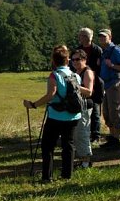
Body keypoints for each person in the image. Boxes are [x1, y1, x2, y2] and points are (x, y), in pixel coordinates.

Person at [23, 45, 89, 182]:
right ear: (68, 59)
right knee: (68, 145)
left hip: (56, 115)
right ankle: (67, 175)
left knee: (48, 146)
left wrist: (33, 105)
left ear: (53, 60)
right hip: (73, 115)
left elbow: (50, 95)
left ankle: (47, 177)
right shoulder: (75, 75)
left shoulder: (54, 75)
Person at [97, 29, 120, 149]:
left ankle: (116, 139)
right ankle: (112, 138)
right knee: (106, 113)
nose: (101, 39)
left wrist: (112, 65)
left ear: (110, 37)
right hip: (105, 85)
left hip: (114, 84)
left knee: (114, 112)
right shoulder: (104, 51)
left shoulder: (115, 50)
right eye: (100, 37)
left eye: (104, 36)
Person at [76, 28, 103, 144]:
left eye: (82, 35)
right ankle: (83, 132)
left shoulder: (97, 50)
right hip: (81, 80)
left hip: (95, 82)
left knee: (95, 109)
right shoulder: (78, 50)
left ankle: (96, 134)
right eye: (80, 35)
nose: (80, 37)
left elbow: (100, 66)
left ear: (88, 37)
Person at [70, 50, 95, 168]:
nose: (75, 62)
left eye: (77, 59)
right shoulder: (76, 72)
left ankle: (86, 161)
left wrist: (74, 86)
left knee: (82, 132)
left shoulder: (87, 72)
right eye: (73, 60)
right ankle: (82, 159)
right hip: (77, 106)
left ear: (84, 60)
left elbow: (89, 92)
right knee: (76, 133)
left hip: (85, 106)